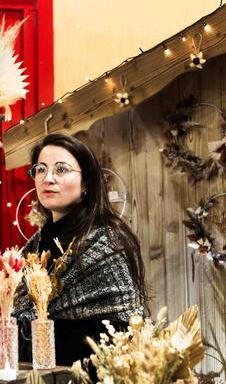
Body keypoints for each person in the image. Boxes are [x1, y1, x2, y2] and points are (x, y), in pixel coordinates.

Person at [13, 132, 148, 366]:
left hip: (90, 383)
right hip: (32, 383)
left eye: (61, 170)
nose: (48, 178)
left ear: (86, 182)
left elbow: (121, 333)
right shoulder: (33, 246)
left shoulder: (105, 244)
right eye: (41, 169)